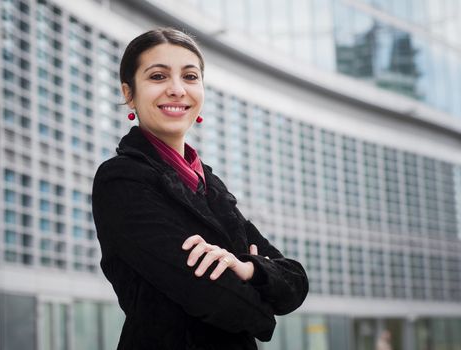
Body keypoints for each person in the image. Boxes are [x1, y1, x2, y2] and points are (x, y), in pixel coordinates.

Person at [91, 27, 309, 350]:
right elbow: (216, 299)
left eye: (190, 76)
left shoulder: (209, 185)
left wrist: (247, 268)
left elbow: (295, 281)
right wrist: (266, 310)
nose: (177, 89)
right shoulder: (121, 180)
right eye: (158, 77)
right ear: (129, 93)